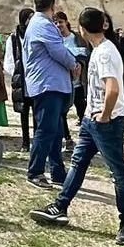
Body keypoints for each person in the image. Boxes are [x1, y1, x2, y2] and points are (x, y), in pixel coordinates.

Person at [29, 7, 124, 245]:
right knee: (78, 163)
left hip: (107, 122)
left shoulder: (106, 53)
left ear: (82, 29)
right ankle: (60, 206)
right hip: (91, 120)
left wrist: (106, 115)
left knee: (117, 172)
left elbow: (113, 89)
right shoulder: (98, 49)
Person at [23, 0, 78, 189]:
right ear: (52, 6)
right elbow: (58, 51)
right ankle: (35, 171)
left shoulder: (38, 23)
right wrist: (74, 64)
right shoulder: (43, 24)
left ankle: (57, 171)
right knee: (46, 129)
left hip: (50, 83)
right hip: (48, 84)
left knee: (54, 131)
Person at [4, 8, 35, 151]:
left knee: (36, 112)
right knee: (23, 111)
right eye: (29, 18)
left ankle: (36, 140)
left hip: (34, 78)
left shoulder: (35, 35)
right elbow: (9, 60)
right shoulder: (14, 38)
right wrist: (16, 72)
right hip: (21, 79)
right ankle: (25, 142)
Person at [54, 12, 81, 151]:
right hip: (64, 81)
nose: (59, 25)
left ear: (66, 22)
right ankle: (68, 138)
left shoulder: (75, 37)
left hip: (78, 80)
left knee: (82, 109)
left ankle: (85, 140)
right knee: (62, 112)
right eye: (56, 23)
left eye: (60, 22)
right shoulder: (55, 39)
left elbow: (84, 53)